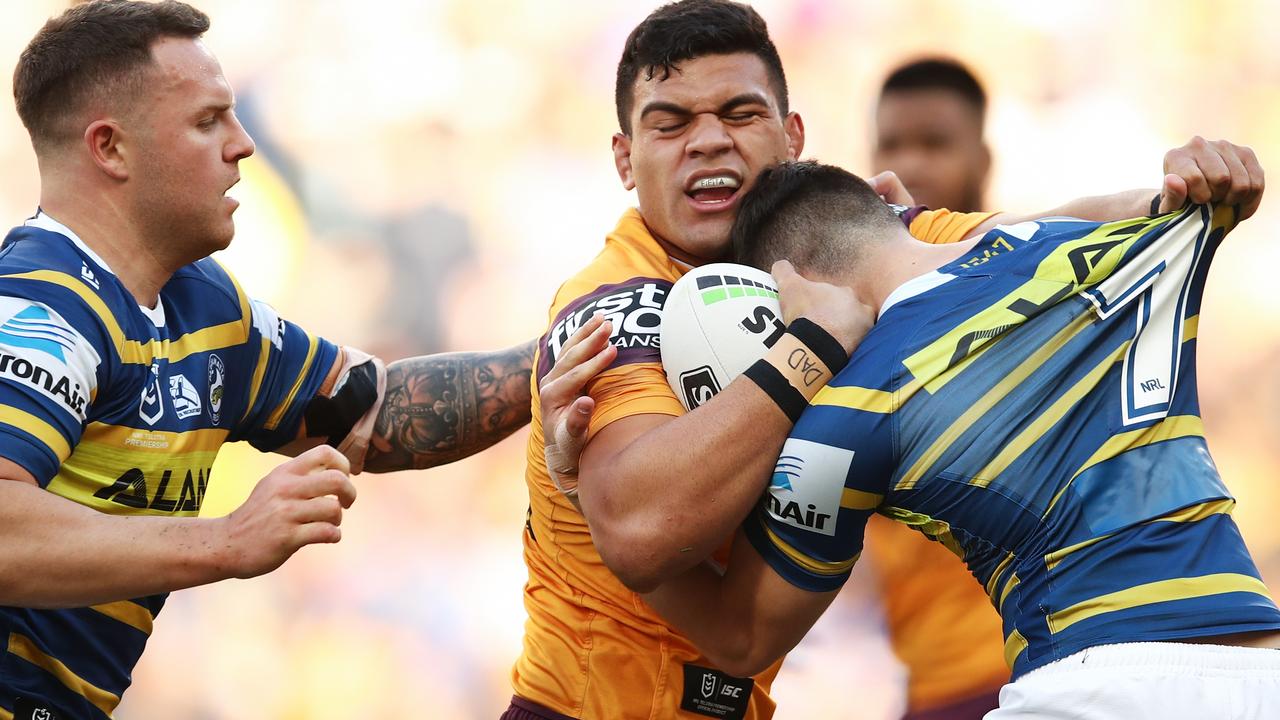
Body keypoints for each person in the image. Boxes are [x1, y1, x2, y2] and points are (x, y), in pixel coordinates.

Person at [519, 1, 1262, 718]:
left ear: (793, 136)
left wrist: (1185, 184)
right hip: (1254, 656)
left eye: (740, 114)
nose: (709, 140)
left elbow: (739, 635)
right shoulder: (618, 306)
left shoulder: (861, 362)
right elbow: (642, 531)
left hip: (1078, 675)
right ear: (625, 158)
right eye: (671, 123)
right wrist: (807, 350)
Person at [0, 2, 594, 717]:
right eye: (207, 121)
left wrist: (566, 351)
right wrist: (224, 541)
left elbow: (378, 413)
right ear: (111, 148)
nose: (244, 143)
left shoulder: (203, 304)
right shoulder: (41, 306)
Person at [634, 160, 1279, 719]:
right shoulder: (1096, 241)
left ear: (788, 291)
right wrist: (1209, 174)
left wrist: (578, 489)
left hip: (1090, 684)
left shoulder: (845, 418)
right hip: (1263, 666)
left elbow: (741, 636)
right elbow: (1204, 190)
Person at [866, 57, 1006, 719]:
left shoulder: (1042, 288)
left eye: (935, 142)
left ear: (982, 157)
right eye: (893, 145)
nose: (912, 164)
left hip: (1046, 661)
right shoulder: (854, 319)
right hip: (936, 684)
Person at [872, 58, 991, 214]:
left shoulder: (1027, 236)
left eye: (933, 143)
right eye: (890, 145)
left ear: (982, 161)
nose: (909, 166)